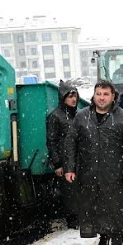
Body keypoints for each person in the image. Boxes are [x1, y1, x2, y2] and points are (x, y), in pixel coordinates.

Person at [64, 80, 123, 245]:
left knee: (116, 211)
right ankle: (104, 235)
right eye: (99, 94)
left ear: (113, 96)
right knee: (94, 209)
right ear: (94, 95)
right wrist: (70, 167)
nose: (102, 97)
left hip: (114, 175)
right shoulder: (82, 117)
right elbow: (71, 143)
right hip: (89, 174)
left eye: (106, 94)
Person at [46, 81, 80, 229]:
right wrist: (57, 163)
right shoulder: (55, 116)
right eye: (70, 96)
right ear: (63, 98)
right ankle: (72, 218)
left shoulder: (79, 115)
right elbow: (51, 141)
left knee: (81, 188)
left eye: (75, 96)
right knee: (69, 190)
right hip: (65, 159)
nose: (73, 99)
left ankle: (82, 214)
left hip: (80, 158)